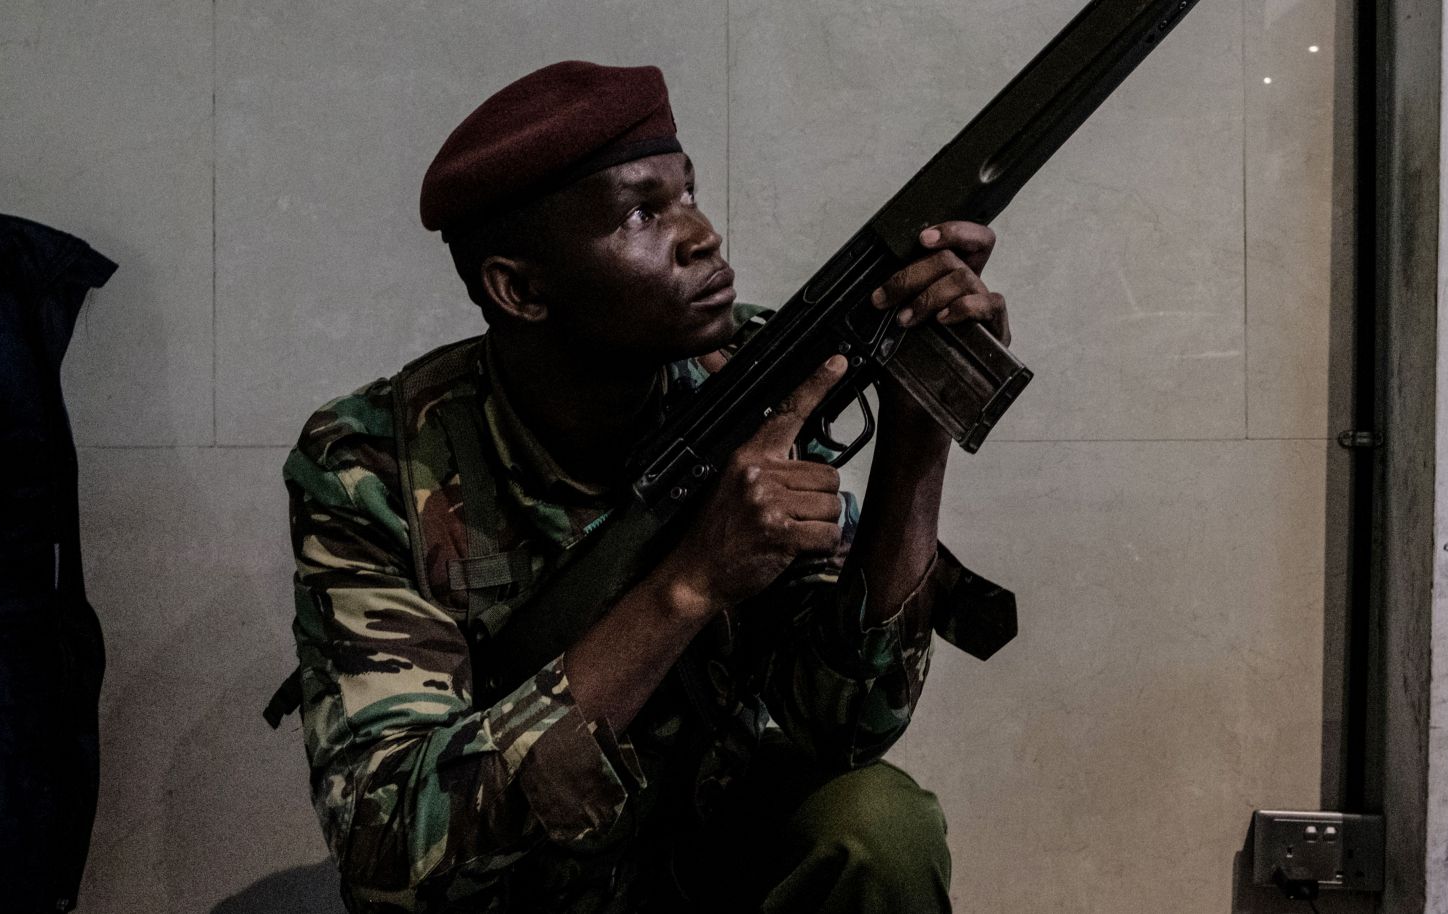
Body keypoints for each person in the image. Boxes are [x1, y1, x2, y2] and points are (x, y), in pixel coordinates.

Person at [281, 60, 1017, 913]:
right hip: (514, 898)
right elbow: (391, 845)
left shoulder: (747, 377)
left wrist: (918, 445)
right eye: (642, 213)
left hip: (696, 865)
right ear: (519, 289)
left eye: (689, 192)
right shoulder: (372, 463)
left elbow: (845, 723)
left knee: (878, 826)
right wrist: (690, 584)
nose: (703, 234)